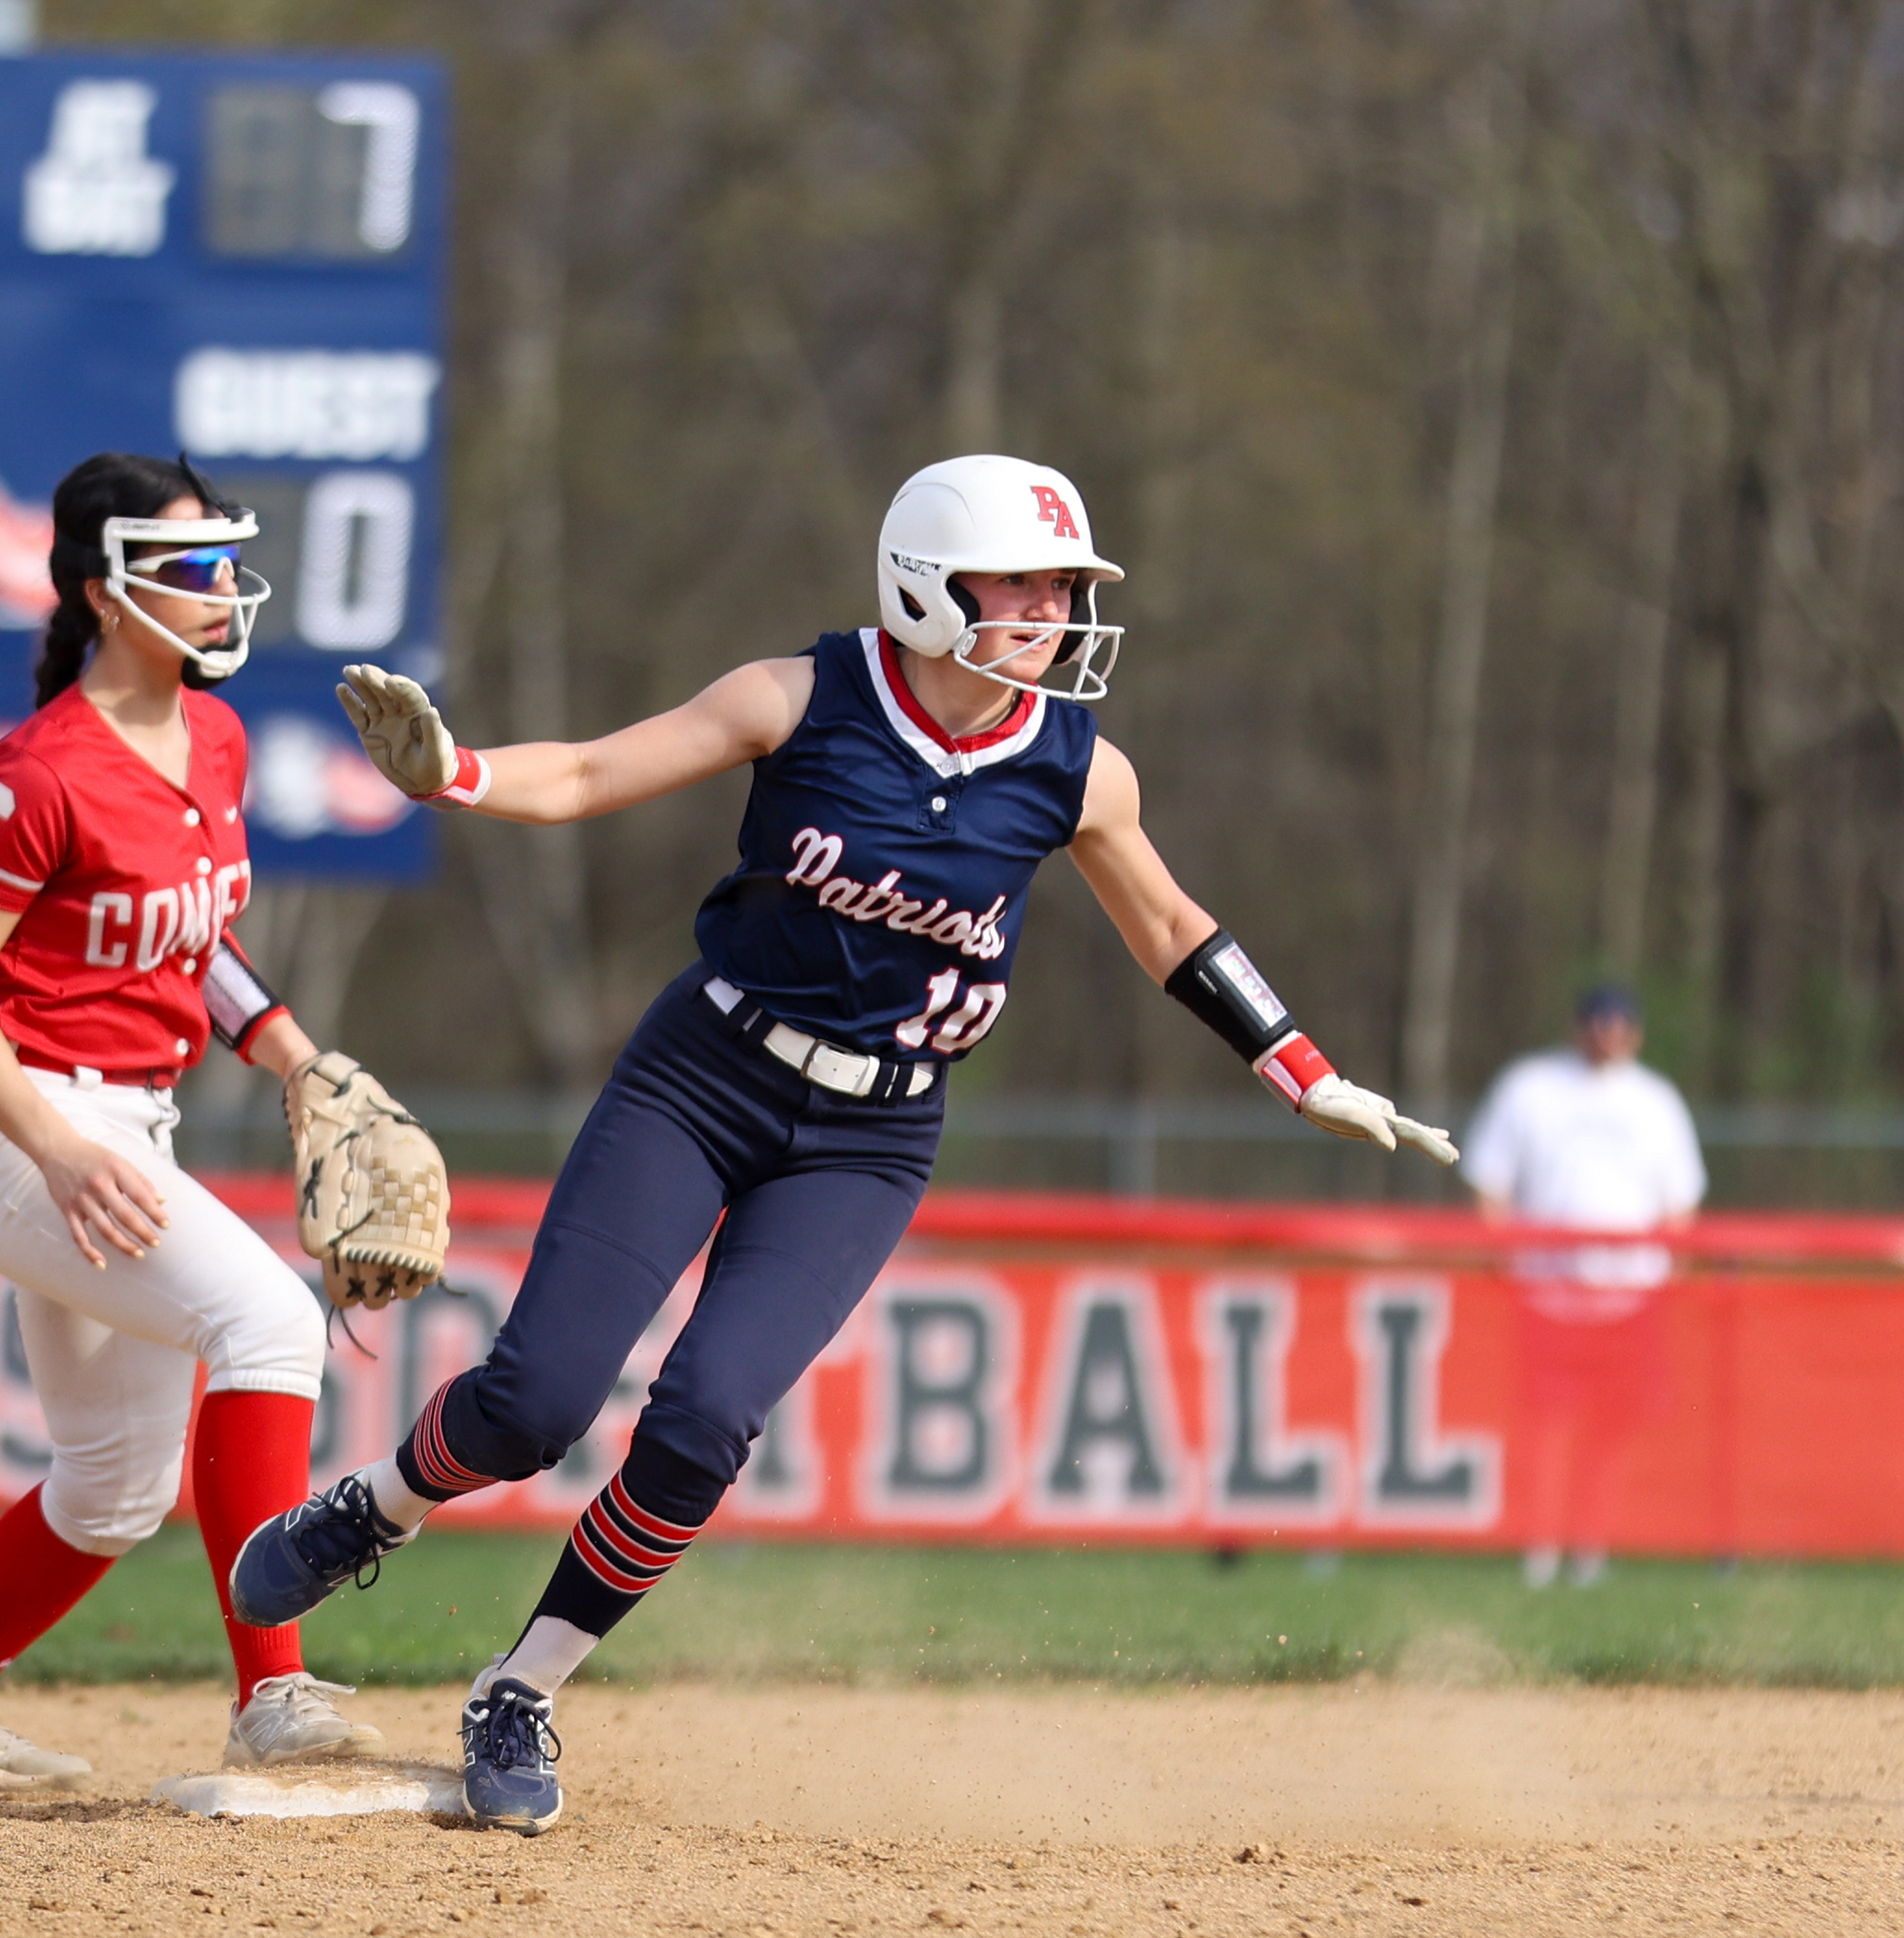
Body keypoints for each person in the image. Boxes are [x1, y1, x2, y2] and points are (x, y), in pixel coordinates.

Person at [229, 453, 1461, 1833]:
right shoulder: (799, 697)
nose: (1054, 610)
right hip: (703, 1076)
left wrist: (1304, 1070)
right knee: (534, 1404)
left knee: (702, 1424)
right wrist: (452, 772)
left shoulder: (1073, 767)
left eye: (1069, 586)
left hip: (870, 1137)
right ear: (930, 581)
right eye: (1028, 582)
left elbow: (1173, 928)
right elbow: (583, 774)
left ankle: (523, 1684)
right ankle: (376, 1506)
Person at [0, 452, 401, 1793]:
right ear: (107, 593)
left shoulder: (216, 737)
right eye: (189, 568)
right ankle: (272, 1688)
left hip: (124, 1122)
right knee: (268, 1320)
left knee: (111, 1488)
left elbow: (196, 947)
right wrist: (56, 1146)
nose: (223, 589)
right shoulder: (38, 773)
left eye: (225, 561)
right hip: (11, 1122)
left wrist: (297, 1062)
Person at [1461, 984, 1704, 1588]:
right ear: (1578, 1027)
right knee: (1544, 1429)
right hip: (1548, 1296)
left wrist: (1668, 1277)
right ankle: (1540, 1552)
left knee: (1611, 1433)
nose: (1607, 1033)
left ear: (1636, 1032)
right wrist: (1506, 1262)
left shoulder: (1657, 1101)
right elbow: (1490, 1183)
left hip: (1627, 1299)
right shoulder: (1532, 1086)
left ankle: (1591, 1552)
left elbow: (1680, 1204)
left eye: (1620, 1023)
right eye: (1597, 1021)